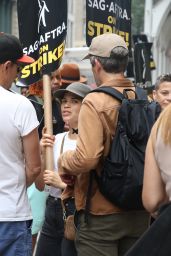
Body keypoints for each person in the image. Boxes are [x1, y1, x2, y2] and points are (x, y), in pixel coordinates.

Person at [58, 33, 149, 256]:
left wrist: (64, 161)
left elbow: (87, 158)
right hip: (138, 209)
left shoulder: (95, 100)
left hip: (100, 213)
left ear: (96, 64)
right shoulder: (142, 97)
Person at [35, 82, 91, 256]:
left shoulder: (91, 144)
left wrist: (62, 184)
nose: (66, 105)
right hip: (52, 209)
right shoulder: (56, 139)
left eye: (74, 101)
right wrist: (42, 154)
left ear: (88, 106)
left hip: (77, 212)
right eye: (64, 101)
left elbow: (93, 188)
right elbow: (40, 185)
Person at [0, 32, 41, 255]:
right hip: (11, 214)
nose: (18, 75)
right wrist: (13, 183)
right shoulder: (20, 105)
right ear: (7, 66)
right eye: (18, 68)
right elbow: (35, 167)